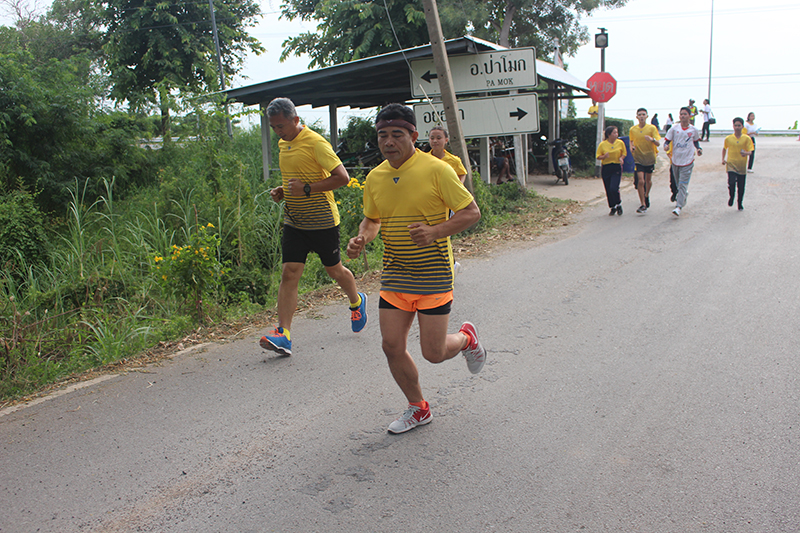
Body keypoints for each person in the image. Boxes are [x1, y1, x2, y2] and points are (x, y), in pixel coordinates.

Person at [346, 104, 486, 435]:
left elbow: (471, 212)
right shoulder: (375, 177)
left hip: (434, 272)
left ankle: (466, 339)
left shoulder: (436, 170)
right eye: (382, 135)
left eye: (397, 134)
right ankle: (418, 407)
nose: (389, 142)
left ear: (414, 135)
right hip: (395, 272)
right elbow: (373, 218)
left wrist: (435, 231)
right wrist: (362, 238)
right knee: (391, 345)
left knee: (433, 353)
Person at [259, 97, 368, 356]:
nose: (278, 132)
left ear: (296, 120)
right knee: (289, 273)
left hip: (322, 222)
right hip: (295, 221)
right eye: (274, 127)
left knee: (335, 271)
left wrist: (307, 189)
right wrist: (283, 191)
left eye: (282, 126)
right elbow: (296, 179)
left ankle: (356, 301)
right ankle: (283, 335)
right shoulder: (283, 143)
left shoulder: (316, 143)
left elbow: (343, 177)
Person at [664, 107, 703, 216]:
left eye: (685, 114)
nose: (682, 116)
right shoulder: (674, 128)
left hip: (688, 160)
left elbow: (696, 142)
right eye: (681, 114)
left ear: (690, 116)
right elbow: (667, 140)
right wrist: (666, 146)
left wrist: (699, 149)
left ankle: (678, 207)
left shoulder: (693, 130)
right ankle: (683, 195)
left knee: (682, 184)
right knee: (677, 184)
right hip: (676, 160)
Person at [629, 108, 661, 213]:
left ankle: (646, 195)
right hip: (638, 158)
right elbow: (631, 141)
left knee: (648, 181)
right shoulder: (633, 129)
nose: (642, 116)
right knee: (641, 181)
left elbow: (658, 143)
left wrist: (652, 139)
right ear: (636, 117)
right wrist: (631, 147)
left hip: (649, 157)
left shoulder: (651, 128)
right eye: (639, 115)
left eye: (643, 114)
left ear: (647, 116)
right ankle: (642, 204)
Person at [722, 117, 754, 210]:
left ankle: (740, 203)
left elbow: (750, 151)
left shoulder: (746, 138)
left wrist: (746, 153)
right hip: (731, 164)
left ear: (742, 126)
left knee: (741, 186)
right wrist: (723, 159)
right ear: (733, 126)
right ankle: (731, 196)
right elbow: (724, 148)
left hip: (742, 165)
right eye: (735, 125)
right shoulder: (729, 138)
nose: (737, 127)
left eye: (739, 125)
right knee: (731, 183)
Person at [596, 125, 627, 216]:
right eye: (614, 132)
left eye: (617, 132)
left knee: (614, 187)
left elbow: (624, 153)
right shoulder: (603, 144)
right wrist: (604, 156)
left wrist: (621, 158)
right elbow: (598, 156)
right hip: (606, 167)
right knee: (608, 188)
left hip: (616, 166)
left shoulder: (620, 143)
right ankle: (612, 206)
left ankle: (618, 204)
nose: (616, 134)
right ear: (609, 134)